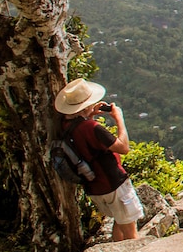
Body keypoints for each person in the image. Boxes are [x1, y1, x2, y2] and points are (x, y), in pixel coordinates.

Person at [54, 78, 144, 240]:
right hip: (113, 184)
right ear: (86, 104)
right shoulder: (92, 128)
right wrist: (119, 119)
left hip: (94, 188)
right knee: (131, 233)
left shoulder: (66, 125)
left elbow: (84, 142)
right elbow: (123, 148)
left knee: (119, 220)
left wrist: (90, 115)